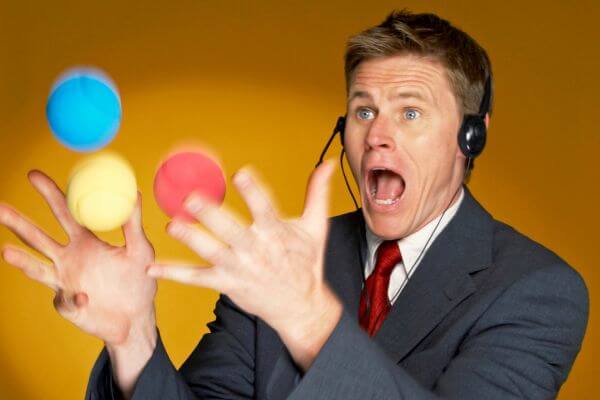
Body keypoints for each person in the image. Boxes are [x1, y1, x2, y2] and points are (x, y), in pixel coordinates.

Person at [0, 10, 588, 400]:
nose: (377, 135)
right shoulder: (276, 262)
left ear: (471, 137)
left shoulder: (537, 290)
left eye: (410, 111)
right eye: (363, 111)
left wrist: (308, 320)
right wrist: (133, 338)